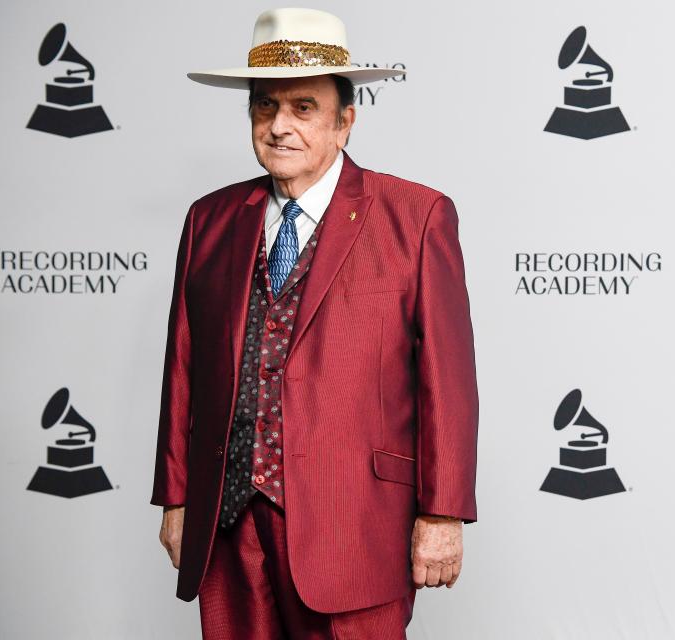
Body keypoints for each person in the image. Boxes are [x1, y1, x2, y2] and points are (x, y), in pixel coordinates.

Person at [149, 8, 479, 638]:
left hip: (354, 522)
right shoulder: (210, 220)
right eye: (265, 106)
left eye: (303, 107)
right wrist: (178, 497)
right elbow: (183, 372)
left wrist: (443, 514)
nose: (280, 127)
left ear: (344, 120)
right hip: (228, 521)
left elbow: (448, 382)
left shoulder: (416, 217)